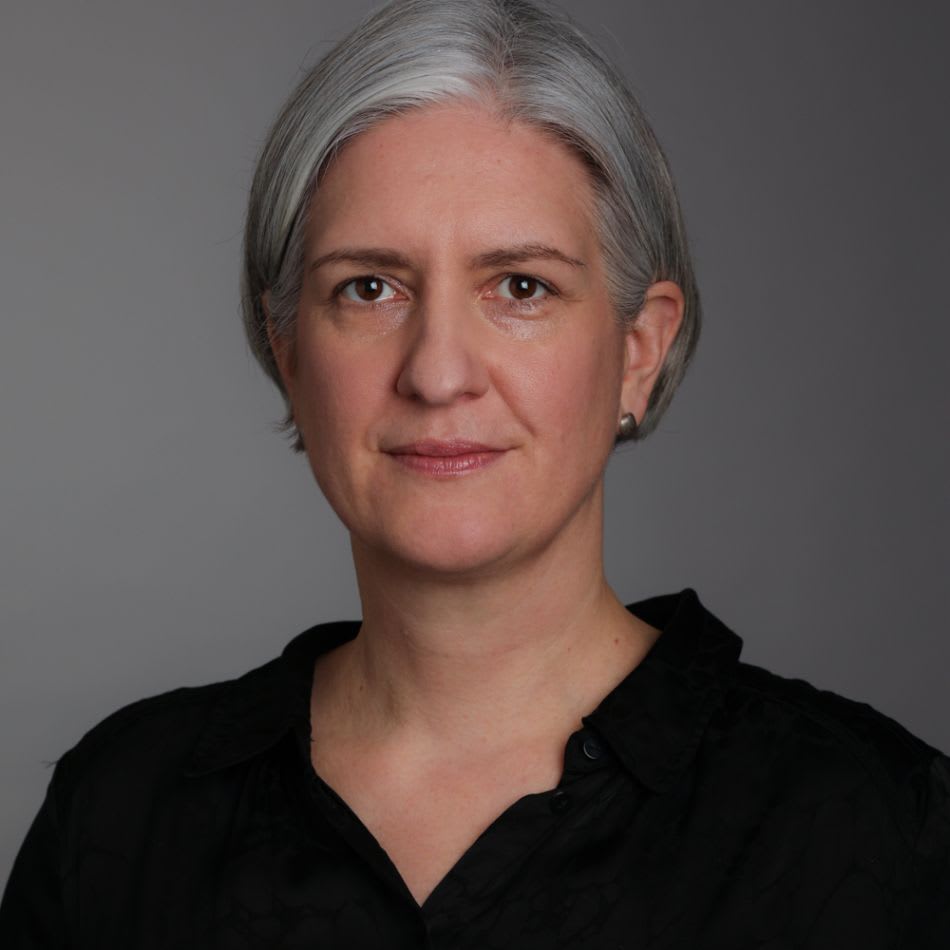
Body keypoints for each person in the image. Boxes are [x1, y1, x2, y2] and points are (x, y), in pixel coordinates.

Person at [2, 0, 947, 945]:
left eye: (521, 287)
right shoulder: (123, 814)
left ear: (638, 351)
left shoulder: (877, 825)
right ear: (287, 349)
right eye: (369, 288)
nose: (438, 372)